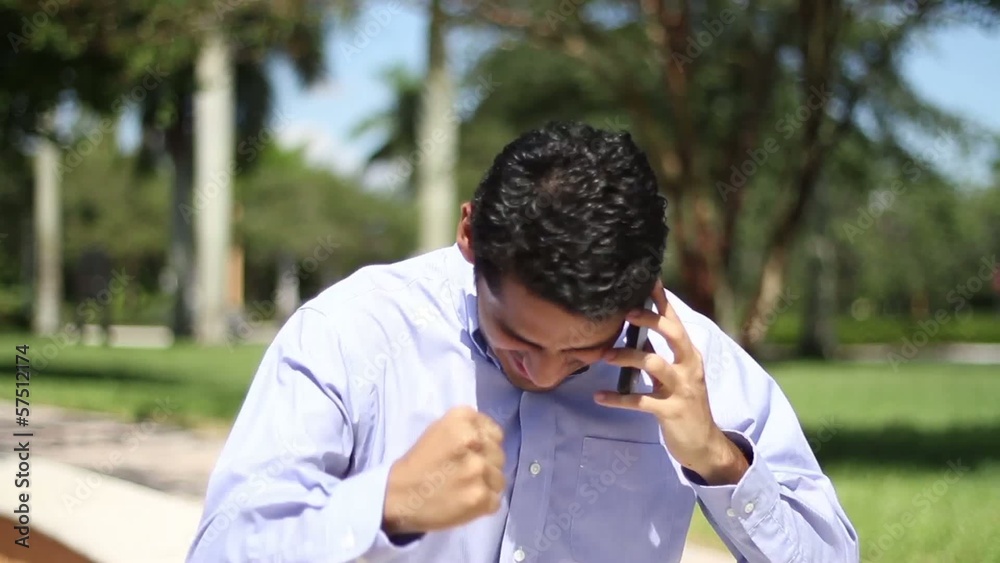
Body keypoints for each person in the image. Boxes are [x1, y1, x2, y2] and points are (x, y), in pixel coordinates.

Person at [187, 122, 858, 562]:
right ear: (470, 235)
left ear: (642, 296)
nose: (540, 372)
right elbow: (221, 547)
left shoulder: (691, 366)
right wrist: (384, 504)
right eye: (515, 337)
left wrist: (716, 456)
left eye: (581, 353)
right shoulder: (352, 334)